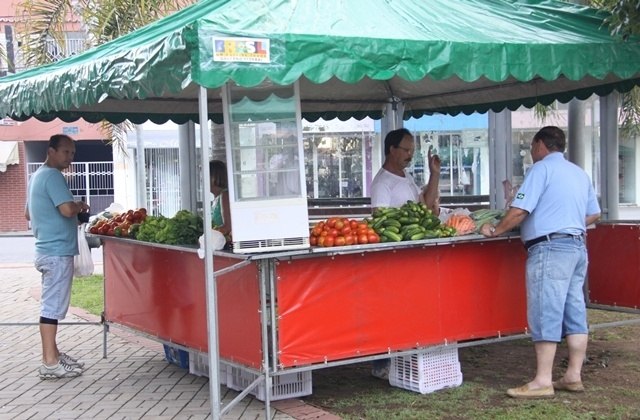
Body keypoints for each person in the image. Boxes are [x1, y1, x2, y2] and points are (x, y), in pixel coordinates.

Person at [479, 126, 601, 399]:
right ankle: (573, 375)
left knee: (545, 310)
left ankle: (542, 380)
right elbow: (594, 214)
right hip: (577, 247)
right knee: (574, 310)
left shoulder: (541, 170)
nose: (531, 152)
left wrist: (496, 229)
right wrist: (567, 224)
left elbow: (519, 210)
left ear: (539, 145)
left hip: (549, 248)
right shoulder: (579, 173)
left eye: (532, 147)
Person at [368, 128, 446, 379]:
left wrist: (434, 175)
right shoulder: (382, 182)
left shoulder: (407, 176)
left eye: (412, 150)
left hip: (415, 256)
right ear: (392, 150)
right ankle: (382, 364)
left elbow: (427, 209)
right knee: (389, 310)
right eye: (406, 150)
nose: (410, 155)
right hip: (394, 259)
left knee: (410, 308)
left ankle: (407, 355)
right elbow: (379, 219)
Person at [24, 134, 90, 379]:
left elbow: (28, 214)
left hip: (44, 250)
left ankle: (54, 353)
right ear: (51, 151)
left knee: (51, 304)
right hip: (56, 251)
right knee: (51, 307)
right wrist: (79, 205)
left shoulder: (36, 177)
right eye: (66, 152)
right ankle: (50, 362)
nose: (70, 157)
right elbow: (65, 210)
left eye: (72, 153)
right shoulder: (53, 176)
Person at [209, 160, 232, 241]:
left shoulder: (224, 196)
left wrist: (208, 235)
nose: (202, 181)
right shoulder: (217, 198)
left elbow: (228, 227)